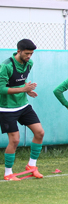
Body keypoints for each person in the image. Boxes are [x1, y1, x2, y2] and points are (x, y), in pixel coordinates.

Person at [0, 39, 44, 180]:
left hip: (23, 106)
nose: (29, 56)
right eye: (27, 53)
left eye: (31, 54)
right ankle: (8, 173)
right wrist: (23, 89)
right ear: (18, 51)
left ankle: (31, 165)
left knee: (40, 133)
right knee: (15, 140)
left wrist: (26, 90)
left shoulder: (29, 63)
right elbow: (1, 89)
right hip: (7, 109)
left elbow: (19, 81)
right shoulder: (6, 66)